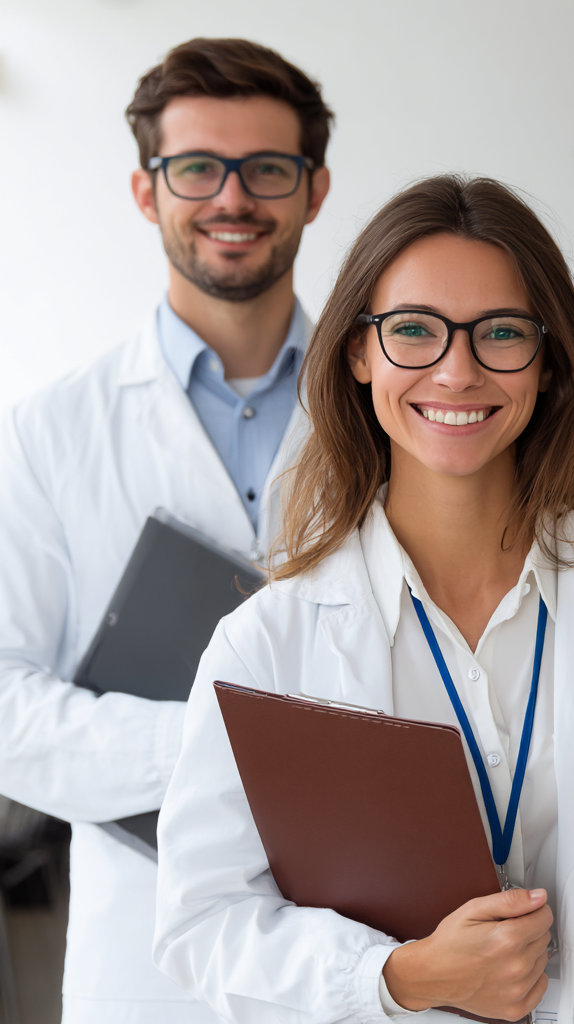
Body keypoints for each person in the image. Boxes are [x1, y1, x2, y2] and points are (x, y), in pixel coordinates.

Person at [152, 175, 574, 1024]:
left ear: (550, 357)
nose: (458, 370)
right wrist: (401, 978)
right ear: (358, 352)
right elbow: (203, 921)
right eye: (413, 330)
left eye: (501, 333)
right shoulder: (268, 643)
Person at [0, 37, 331, 1023]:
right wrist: (219, 737)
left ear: (314, 190)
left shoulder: (393, 405)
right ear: (147, 192)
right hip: (143, 952)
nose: (233, 197)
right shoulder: (52, 429)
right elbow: (7, 712)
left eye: (267, 168)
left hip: (353, 927)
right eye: (196, 168)